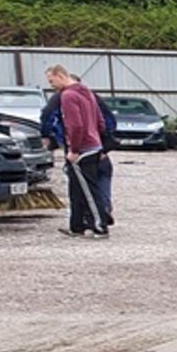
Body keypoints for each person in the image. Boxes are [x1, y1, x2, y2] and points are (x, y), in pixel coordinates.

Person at [46, 65, 110, 237]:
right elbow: (100, 120)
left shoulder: (67, 96)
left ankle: (100, 225)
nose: (52, 86)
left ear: (60, 76)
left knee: (88, 189)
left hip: (83, 149)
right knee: (77, 188)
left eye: (51, 81)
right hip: (94, 144)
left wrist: (74, 149)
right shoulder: (87, 92)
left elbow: (75, 125)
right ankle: (77, 225)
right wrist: (101, 140)